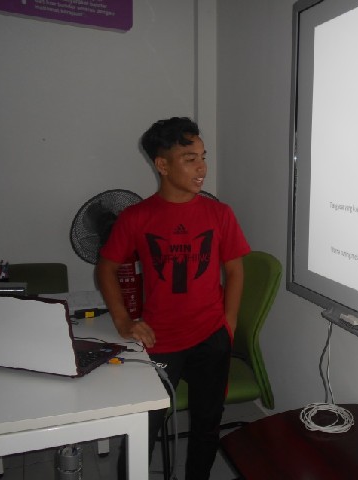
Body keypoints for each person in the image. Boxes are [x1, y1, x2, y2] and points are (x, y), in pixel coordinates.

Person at [96, 117, 250, 480]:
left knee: (208, 423)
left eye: (203, 157)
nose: (202, 168)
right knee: (144, 425)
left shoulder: (219, 213)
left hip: (210, 335)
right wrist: (122, 320)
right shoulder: (137, 217)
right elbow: (106, 268)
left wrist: (228, 323)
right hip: (159, 339)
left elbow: (236, 271)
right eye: (190, 159)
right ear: (162, 165)